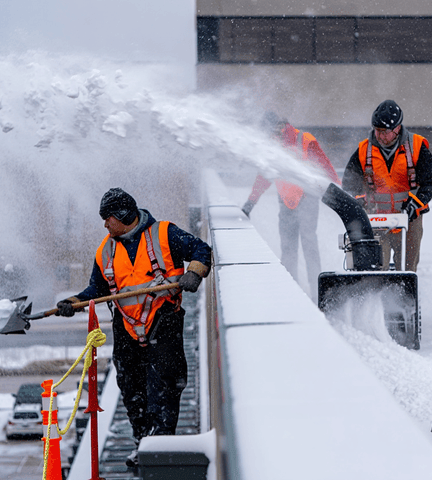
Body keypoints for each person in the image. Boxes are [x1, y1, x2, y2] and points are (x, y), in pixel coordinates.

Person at [55, 187, 212, 468]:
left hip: (163, 321)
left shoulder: (165, 234)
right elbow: (97, 288)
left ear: (123, 214)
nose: (105, 224)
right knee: (131, 389)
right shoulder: (106, 250)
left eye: (108, 218)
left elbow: (202, 249)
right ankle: (142, 442)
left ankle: (159, 447)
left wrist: (194, 273)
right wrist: (73, 302)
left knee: (162, 387)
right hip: (127, 328)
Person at [241, 112, 340, 299]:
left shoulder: (305, 140)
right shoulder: (272, 147)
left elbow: (326, 167)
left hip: (307, 197)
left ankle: (316, 292)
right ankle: (290, 293)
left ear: (278, 128)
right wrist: (250, 203)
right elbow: (264, 176)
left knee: (309, 242)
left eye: (269, 135)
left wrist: (340, 196)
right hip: (285, 200)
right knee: (288, 247)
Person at [341, 99, 432, 271]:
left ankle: (404, 294)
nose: (380, 136)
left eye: (385, 132)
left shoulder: (416, 147)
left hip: (410, 218)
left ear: (397, 128)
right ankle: (379, 295)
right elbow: (349, 182)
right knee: (377, 266)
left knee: (408, 267)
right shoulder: (364, 150)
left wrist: (415, 203)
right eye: (377, 131)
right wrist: (360, 199)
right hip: (377, 218)